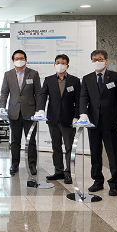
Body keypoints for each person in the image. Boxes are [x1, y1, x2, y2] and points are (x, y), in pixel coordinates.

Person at [79, 49, 117, 196]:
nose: (97, 62)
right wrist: (83, 114)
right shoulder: (87, 78)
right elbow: (83, 98)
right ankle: (97, 181)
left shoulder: (116, 77)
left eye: (100, 59)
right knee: (95, 153)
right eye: (94, 59)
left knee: (113, 154)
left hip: (111, 122)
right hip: (93, 122)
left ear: (106, 61)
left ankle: (115, 183)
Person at [36, 54, 80, 184]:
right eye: (58, 62)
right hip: (53, 118)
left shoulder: (74, 81)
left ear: (67, 65)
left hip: (68, 119)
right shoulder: (49, 80)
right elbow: (42, 95)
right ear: (54, 64)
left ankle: (69, 173)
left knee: (69, 147)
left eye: (63, 63)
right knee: (56, 147)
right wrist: (41, 110)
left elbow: (79, 100)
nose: (60, 65)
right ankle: (58, 171)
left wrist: (76, 116)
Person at [0, 49, 41, 175]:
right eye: (16, 58)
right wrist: (2, 107)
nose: (19, 60)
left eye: (21, 58)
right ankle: (14, 164)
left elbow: (38, 93)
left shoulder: (33, 74)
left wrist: (39, 110)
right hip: (14, 112)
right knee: (15, 141)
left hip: (30, 113)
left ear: (26, 60)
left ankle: (32, 165)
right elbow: (4, 92)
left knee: (31, 141)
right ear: (13, 61)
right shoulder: (8, 75)